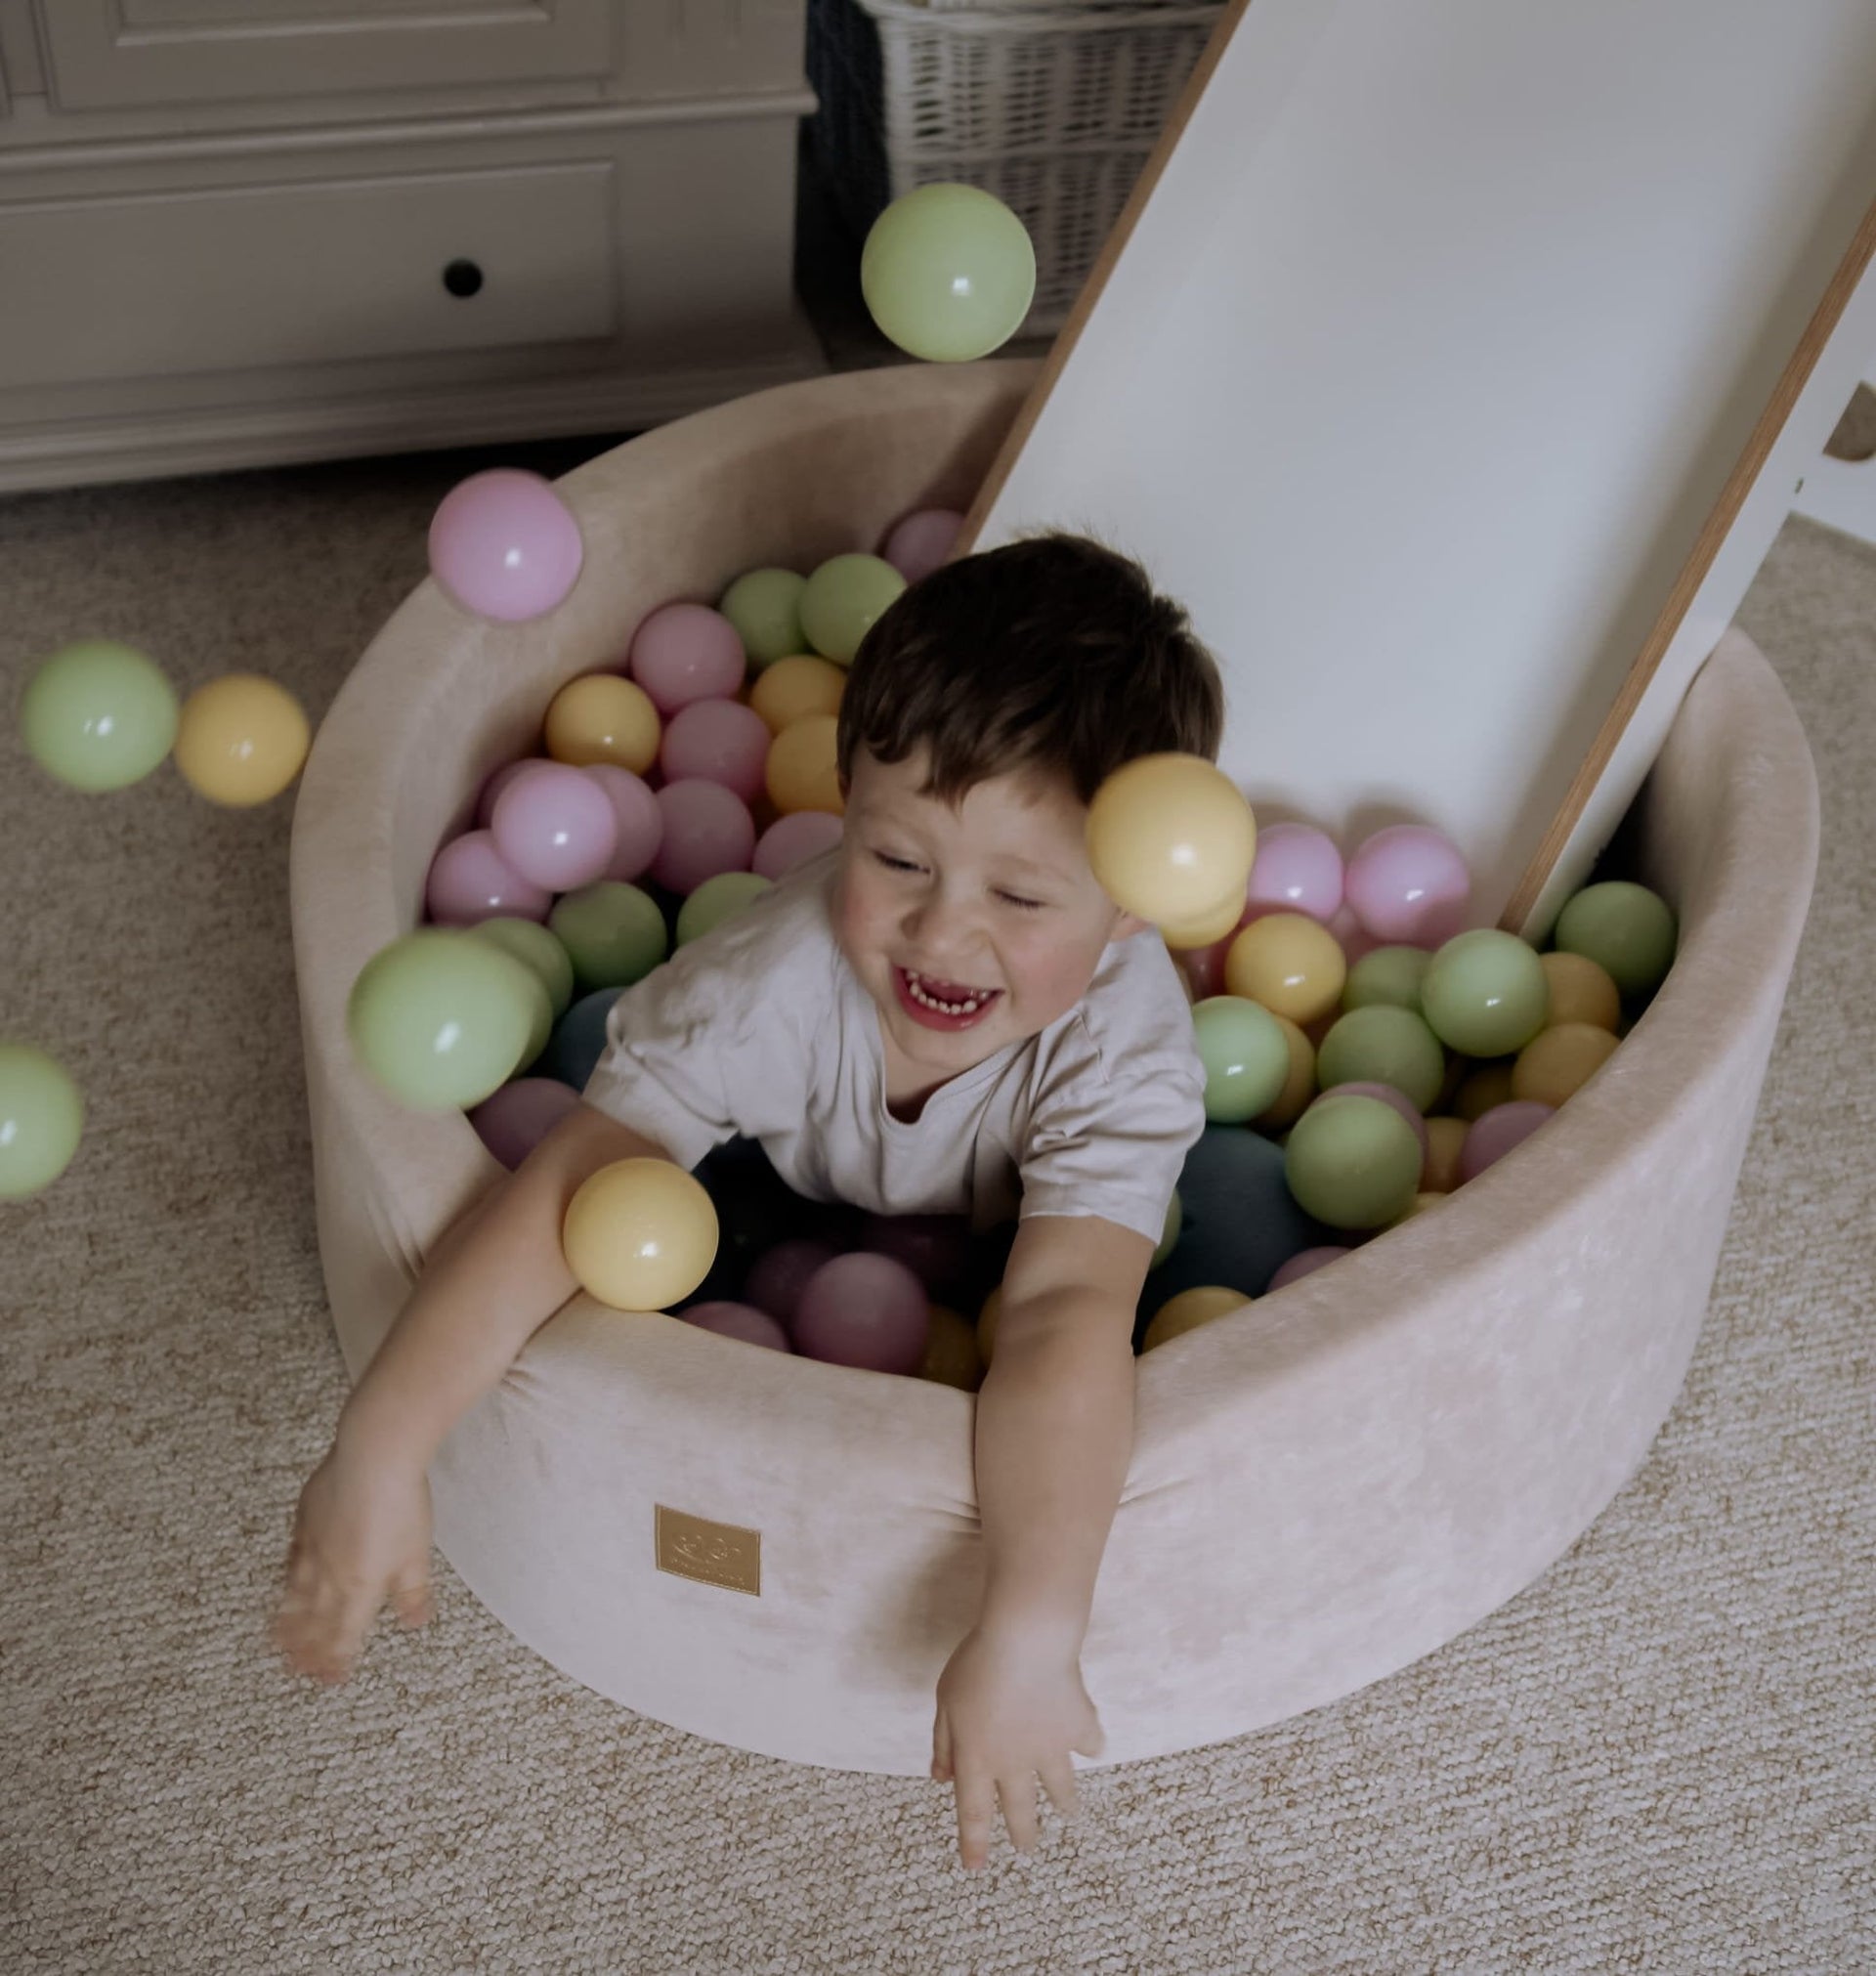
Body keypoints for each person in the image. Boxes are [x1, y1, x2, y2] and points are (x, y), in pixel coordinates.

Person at [274, 530, 1226, 1873]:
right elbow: (566, 1192)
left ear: (1134, 907)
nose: (944, 936)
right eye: (897, 861)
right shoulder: (765, 987)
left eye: (1021, 894)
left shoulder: (1125, 1043)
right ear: (843, 803)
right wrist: (381, 1439)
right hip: (773, 1181)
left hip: (1012, 1223)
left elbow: (1069, 1305)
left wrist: (1028, 1620)